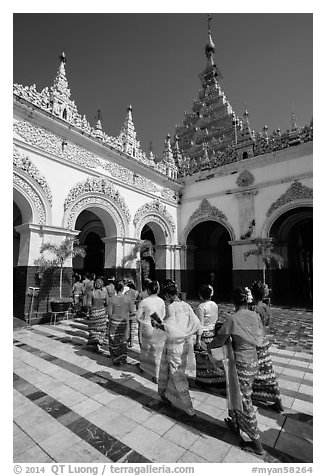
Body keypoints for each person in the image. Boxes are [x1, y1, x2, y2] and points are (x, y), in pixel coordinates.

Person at [207, 287, 265, 455]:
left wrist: (207, 347)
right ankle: (236, 421)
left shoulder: (233, 319)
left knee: (244, 401)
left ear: (233, 301)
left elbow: (219, 340)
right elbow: (260, 336)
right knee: (236, 393)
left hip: (240, 364)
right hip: (253, 361)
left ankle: (257, 444)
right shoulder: (255, 315)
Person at [157, 282, 202, 417]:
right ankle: (166, 394)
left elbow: (170, 328)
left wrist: (159, 325)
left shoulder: (171, 307)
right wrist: (187, 334)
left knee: (177, 375)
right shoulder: (187, 305)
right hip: (185, 343)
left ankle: (188, 407)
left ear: (168, 295)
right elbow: (196, 323)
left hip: (174, 344)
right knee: (172, 370)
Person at [250, 281, 283, 413]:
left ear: (252, 294)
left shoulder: (252, 309)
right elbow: (268, 325)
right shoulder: (266, 307)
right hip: (263, 340)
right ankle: (275, 397)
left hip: (254, 342)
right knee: (267, 370)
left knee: (253, 369)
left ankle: (256, 393)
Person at [195, 284, 226, 387]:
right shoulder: (214, 304)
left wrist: (198, 339)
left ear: (201, 295)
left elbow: (200, 324)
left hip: (204, 334)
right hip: (212, 333)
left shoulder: (201, 307)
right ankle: (217, 378)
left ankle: (203, 380)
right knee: (213, 358)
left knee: (202, 359)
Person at [136, 280, 166, 382]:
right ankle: (156, 375)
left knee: (145, 348)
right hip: (158, 327)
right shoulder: (161, 301)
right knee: (158, 351)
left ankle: (143, 366)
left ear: (148, 290)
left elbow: (138, 317)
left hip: (147, 327)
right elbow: (163, 316)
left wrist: (145, 322)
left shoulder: (144, 302)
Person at [106, 280, 135, 365]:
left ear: (115, 289)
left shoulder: (111, 299)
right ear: (123, 289)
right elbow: (132, 311)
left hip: (114, 322)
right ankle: (122, 358)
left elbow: (110, 314)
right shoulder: (128, 299)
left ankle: (116, 358)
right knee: (123, 341)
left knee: (114, 341)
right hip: (124, 322)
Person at [87, 278, 110, 352]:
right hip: (102, 312)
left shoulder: (91, 293)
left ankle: (94, 343)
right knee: (102, 328)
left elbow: (89, 304)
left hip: (94, 312)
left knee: (93, 328)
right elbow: (107, 303)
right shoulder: (104, 293)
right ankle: (99, 340)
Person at [125, 278, 140, 347]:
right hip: (134, 309)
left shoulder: (126, 293)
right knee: (133, 327)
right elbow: (138, 303)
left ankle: (127, 340)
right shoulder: (136, 293)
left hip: (128, 309)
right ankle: (132, 342)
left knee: (128, 327)